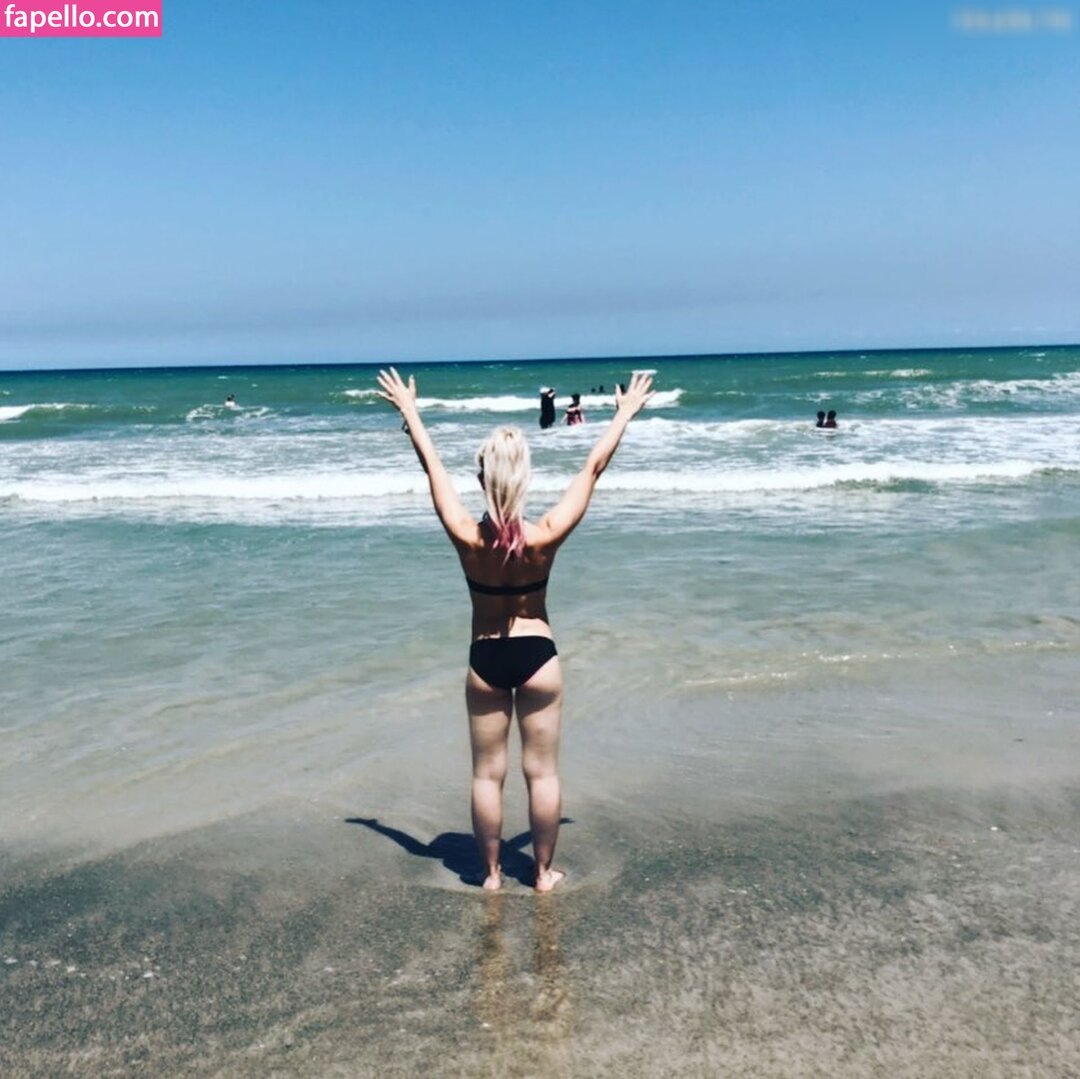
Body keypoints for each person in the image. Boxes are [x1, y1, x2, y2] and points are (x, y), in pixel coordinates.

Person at [376, 368, 654, 893]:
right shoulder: (545, 535)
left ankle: (490, 875)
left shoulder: (466, 536)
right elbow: (592, 469)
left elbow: (432, 468)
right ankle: (543, 874)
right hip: (538, 656)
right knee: (541, 773)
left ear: (483, 479)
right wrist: (623, 415)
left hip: (485, 659)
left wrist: (410, 411)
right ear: (524, 478)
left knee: (487, 774)